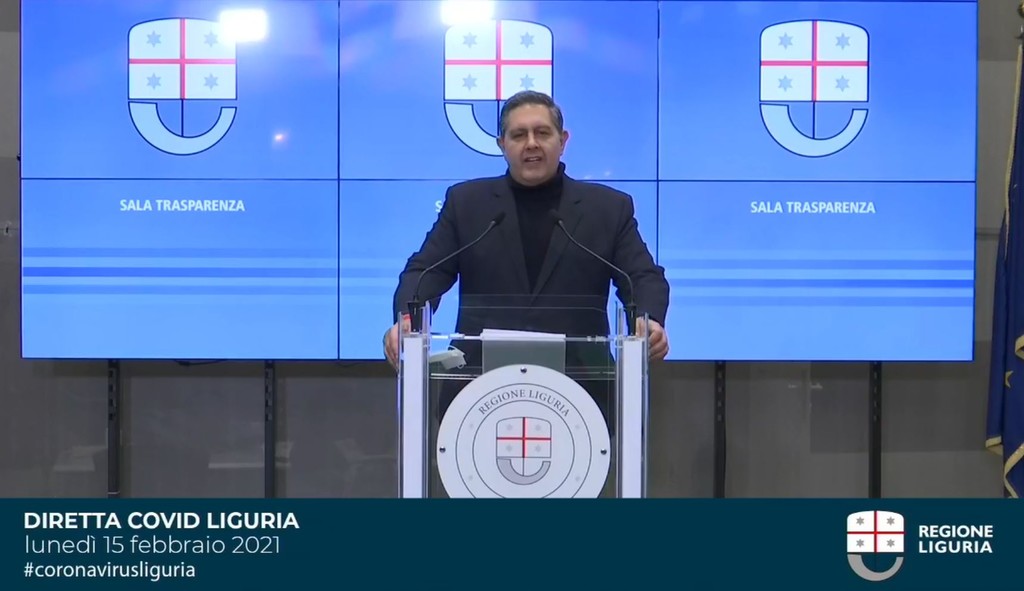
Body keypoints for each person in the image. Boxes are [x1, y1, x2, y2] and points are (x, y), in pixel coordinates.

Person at [383, 91, 669, 420]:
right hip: (477, 395)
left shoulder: (607, 208)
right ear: (502, 144)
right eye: (519, 135)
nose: (531, 143)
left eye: (542, 133)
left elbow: (643, 276)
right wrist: (407, 320)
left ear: (562, 141)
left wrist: (649, 320)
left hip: (582, 395)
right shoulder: (467, 204)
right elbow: (424, 273)